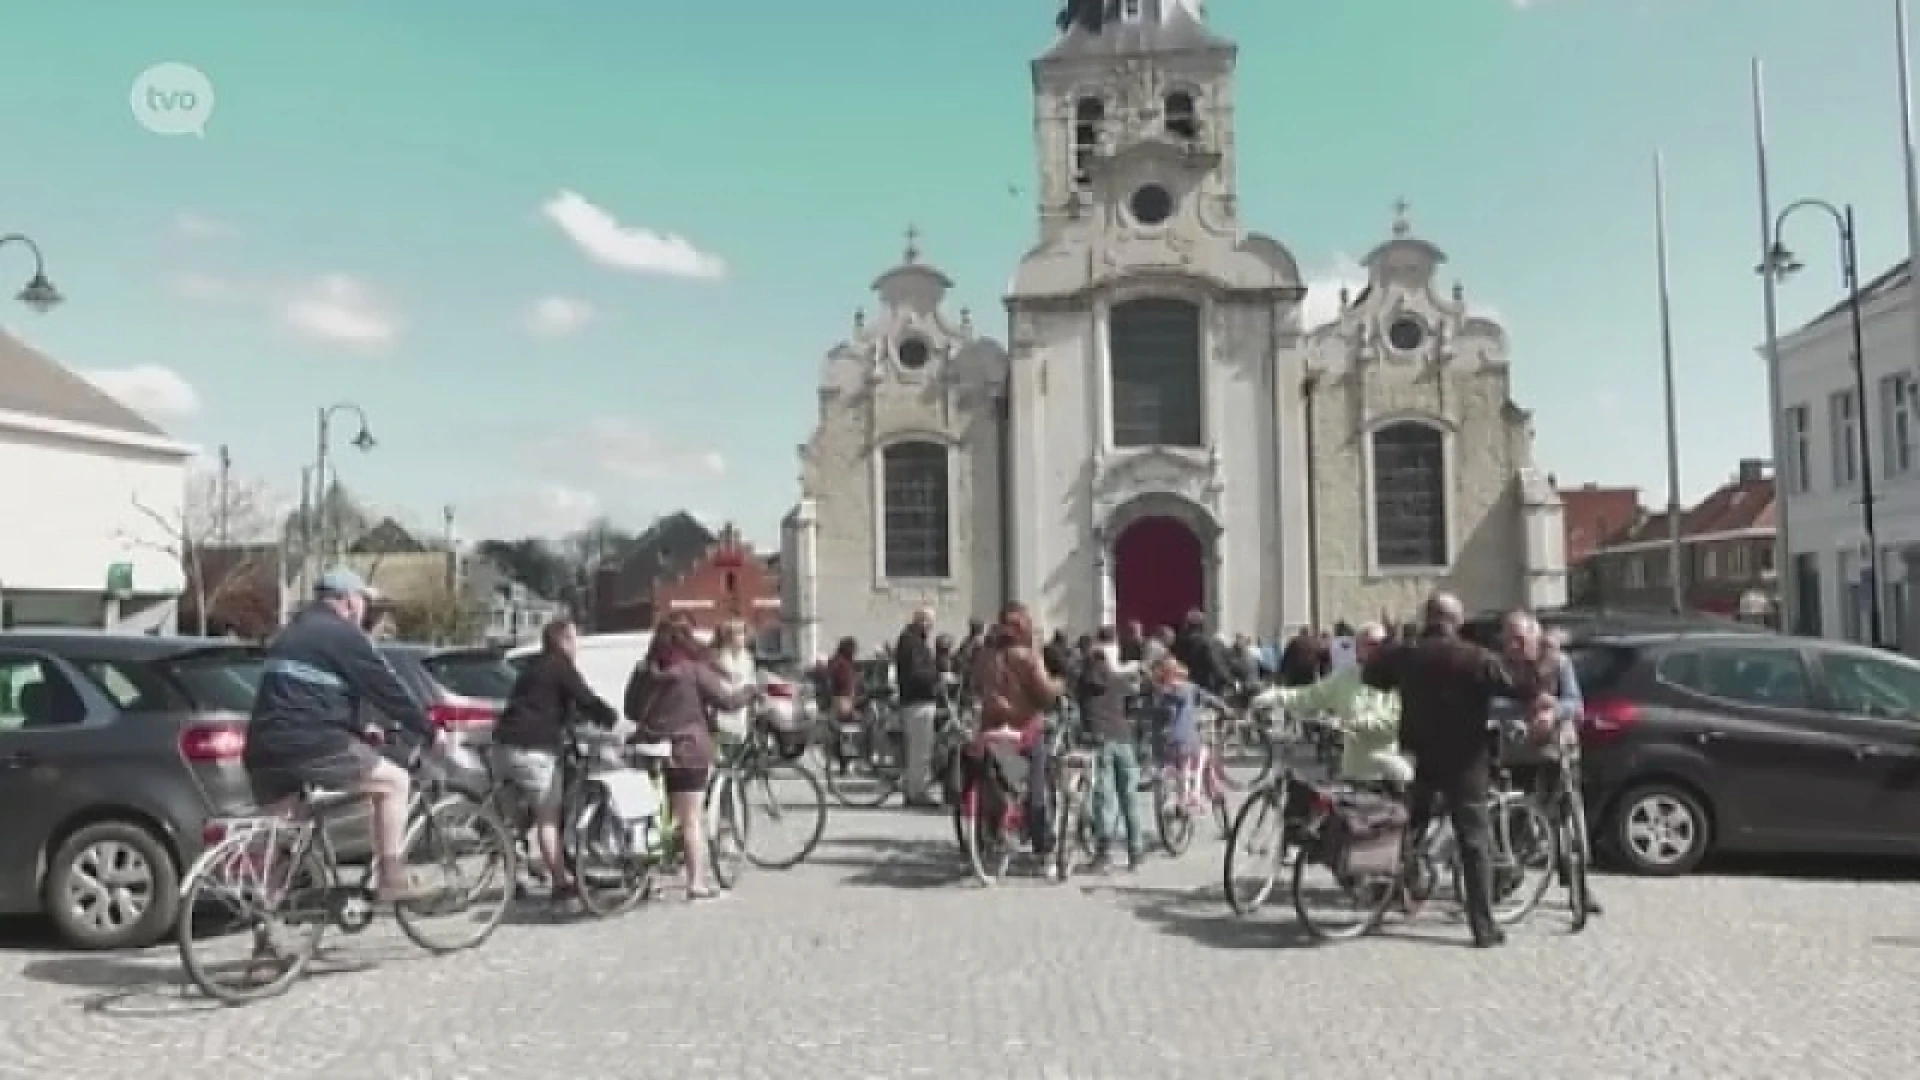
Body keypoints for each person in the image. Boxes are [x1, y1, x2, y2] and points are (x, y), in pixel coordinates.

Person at [1361, 591, 1550, 948]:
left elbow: (1372, 676)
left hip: (1420, 753)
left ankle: (1388, 895)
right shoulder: (1475, 658)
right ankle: (1482, 926)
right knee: (1473, 840)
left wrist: (1394, 643)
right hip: (1465, 760)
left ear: (1427, 618)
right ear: (1456, 622)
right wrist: (1534, 655)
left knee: (1411, 827)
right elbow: (1523, 687)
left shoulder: (1410, 653)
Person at [243, 568, 437, 905]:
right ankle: (391, 877)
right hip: (311, 743)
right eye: (363, 600)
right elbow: (386, 688)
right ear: (348, 601)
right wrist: (428, 729)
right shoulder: (343, 634)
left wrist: (360, 732)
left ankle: (267, 934)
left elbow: (304, 697)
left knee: (287, 838)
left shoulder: (290, 633)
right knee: (395, 783)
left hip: (263, 747)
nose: (365, 609)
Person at [624, 619, 759, 901]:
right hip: (687, 748)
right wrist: (751, 690)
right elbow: (728, 702)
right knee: (691, 820)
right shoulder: (693, 671)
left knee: (644, 816)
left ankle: (642, 873)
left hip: (648, 746)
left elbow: (631, 710)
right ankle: (695, 883)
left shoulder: (643, 670)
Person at [491, 616, 619, 905]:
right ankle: (561, 883)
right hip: (533, 749)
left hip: (502, 748)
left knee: (515, 820)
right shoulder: (560, 666)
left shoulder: (533, 667)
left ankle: (516, 876)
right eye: (574, 639)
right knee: (548, 818)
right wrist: (609, 717)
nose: (577, 645)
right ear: (562, 641)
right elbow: (585, 699)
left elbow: (542, 703)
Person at [1495, 612, 1601, 915]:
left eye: (1521, 640)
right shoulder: (1500, 666)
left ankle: (1579, 886)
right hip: (1518, 751)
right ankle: (1507, 874)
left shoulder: (1558, 662)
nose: (1514, 646)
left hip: (1558, 748)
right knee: (1515, 816)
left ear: (1536, 637)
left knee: (1567, 815)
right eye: (1509, 639)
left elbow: (1575, 703)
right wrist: (1519, 713)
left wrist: (1554, 712)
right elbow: (1492, 703)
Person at [969, 602, 1061, 877]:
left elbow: (975, 685)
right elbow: (1044, 694)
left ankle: (988, 833)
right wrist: (1060, 686)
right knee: (1037, 786)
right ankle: (1043, 849)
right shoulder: (1028, 656)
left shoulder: (984, 654)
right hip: (1024, 728)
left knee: (992, 774)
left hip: (992, 728)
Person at [1252, 621, 1401, 784]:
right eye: (1369, 644)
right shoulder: (1346, 679)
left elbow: (1394, 722)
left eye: (1381, 644)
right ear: (1358, 649)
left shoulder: (1397, 679)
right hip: (1355, 772)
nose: (1376, 649)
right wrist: (1273, 696)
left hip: (1387, 774)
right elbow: (1309, 695)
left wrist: (1355, 723)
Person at [1079, 628, 1142, 871]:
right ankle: (1135, 851)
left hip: (1100, 739)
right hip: (1124, 738)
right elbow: (1132, 704)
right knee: (1130, 797)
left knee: (1104, 797)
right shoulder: (1119, 679)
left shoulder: (1084, 679)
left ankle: (1103, 852)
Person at [1148, 656, 1229, 812]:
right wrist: (1226, 709)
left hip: (1160, 744)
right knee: (1201, 752)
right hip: (1185, 741)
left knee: (1175, 762)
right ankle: (1194, 796)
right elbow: (1209, 699)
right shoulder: (1188, 688)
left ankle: (1180, 794)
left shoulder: (1156, 692)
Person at [894, 607, 942, 808]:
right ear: (921, 621)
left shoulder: (913, 641)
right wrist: (937, 677)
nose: (931, 627)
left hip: (918, 701)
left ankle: (915, 789)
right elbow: (915, 673)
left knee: (921, 749)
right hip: (918, 702)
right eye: (929, 622)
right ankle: (916, 793)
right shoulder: (911, 642)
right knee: (919, 751)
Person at [709, 619, 759, 749]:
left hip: (741, 711)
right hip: (723, 710)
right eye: (738, 634)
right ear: (728, 637)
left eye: (743, 633)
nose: (742, 637)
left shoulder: (748, 657)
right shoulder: (718, 657)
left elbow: (751, 681)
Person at [1171, 610, 1232, 694]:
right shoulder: (1206, 642)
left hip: (1183, 684)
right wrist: (1229, 680)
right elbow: (1215, 664)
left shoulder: (1178, 642)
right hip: (1204, 686)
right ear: (1202, 625)